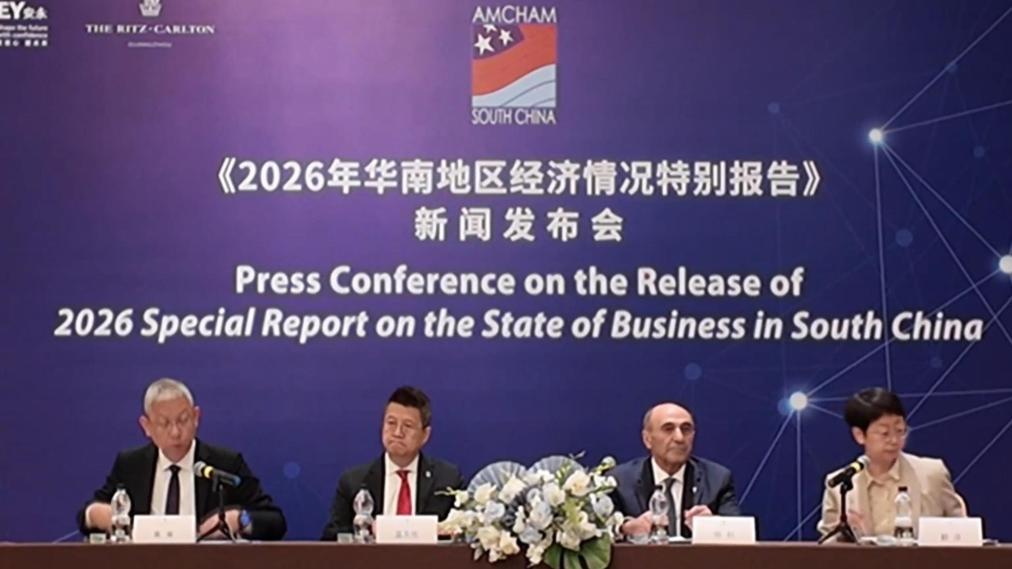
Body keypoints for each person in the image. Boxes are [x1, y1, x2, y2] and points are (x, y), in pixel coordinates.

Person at [76, 378, 286, 540]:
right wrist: (95, 514)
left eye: (183, 420)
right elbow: (87, 515)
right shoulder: (131, 464)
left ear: (196, 417)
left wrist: (240, 519)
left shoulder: (224, 463)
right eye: (164, 423)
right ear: (146, 427)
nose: (175, 432)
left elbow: (275, 522)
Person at [817, 387, 965, 540]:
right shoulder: (839, 486)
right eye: (884, 433)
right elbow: (828, 546)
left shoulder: (932, 474)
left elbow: (962, 533)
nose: (894, 440)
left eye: (900, 430)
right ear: (859, 435)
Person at [321, 386, 465, 540]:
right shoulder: (354, 481)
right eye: (391, 423)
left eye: (407, 426)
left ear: (425, 435)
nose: (397, 433)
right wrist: (366, 530)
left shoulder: (447, 480)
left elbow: (462, 535)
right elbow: (332, 537)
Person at [612, 402, 742, 538]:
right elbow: (603, 531)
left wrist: (713, 525)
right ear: (647, 439)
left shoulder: (717, 479)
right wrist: (625, 528)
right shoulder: (620, 481)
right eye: (668, 429)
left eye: (686, 429)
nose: (679, 438)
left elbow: (739, 535)